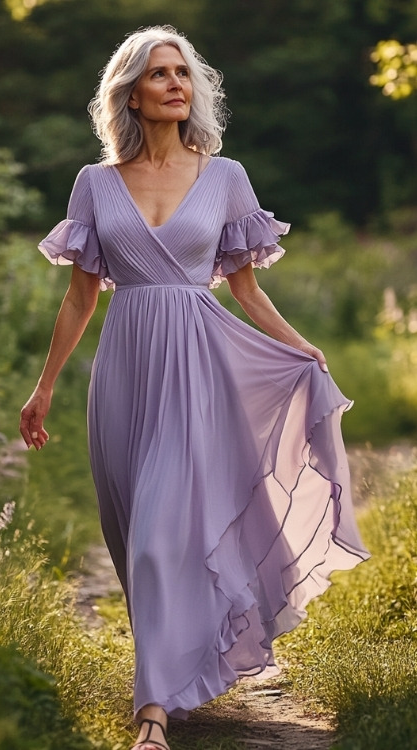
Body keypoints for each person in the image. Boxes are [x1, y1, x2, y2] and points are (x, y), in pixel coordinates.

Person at [19, 25, 369, 750]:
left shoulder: (226, 176)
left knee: (159, 537)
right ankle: (173, 670)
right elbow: (81, 299)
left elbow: (244, 288)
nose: (177, 84)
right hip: (124, 369)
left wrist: (298, 345)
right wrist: (43, 389)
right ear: (131, 95)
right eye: (159, 75)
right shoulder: (94, 183)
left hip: (200, 366)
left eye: (183, 72)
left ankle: (152, 712)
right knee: (132, 539)